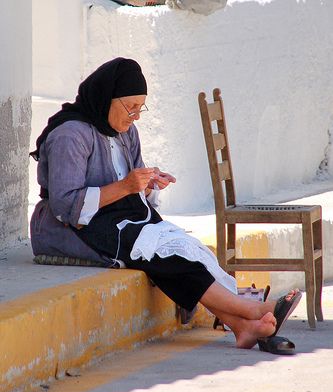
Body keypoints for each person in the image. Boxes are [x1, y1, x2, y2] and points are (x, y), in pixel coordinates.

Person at [30, 57, 301, 354]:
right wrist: (126, 186)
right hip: (70, 229)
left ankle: (241, 327)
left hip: (119, 219)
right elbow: (64, 205)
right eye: (130, 106)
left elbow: (133, 186)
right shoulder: (70, 135)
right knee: (161, 255)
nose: (136, 116)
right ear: (106, 98)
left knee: (181, 246)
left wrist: (148, 184)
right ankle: (249, 310)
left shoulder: (126, 133)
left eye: (140, 107)